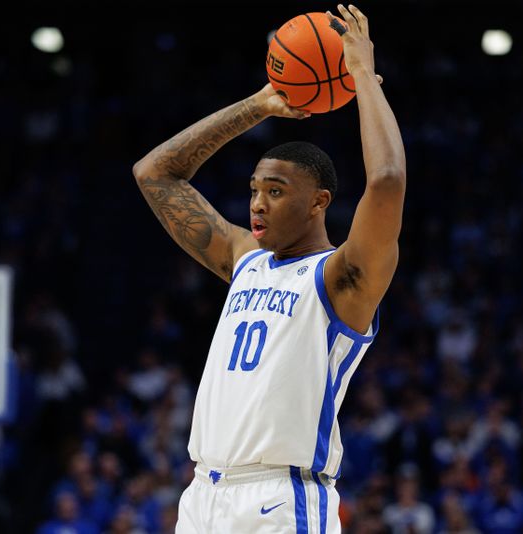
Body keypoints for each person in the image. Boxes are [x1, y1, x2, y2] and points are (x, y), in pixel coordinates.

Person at [134, 4, 405, 533]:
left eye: (276, 192)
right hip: (202, 496)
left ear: (318, 202)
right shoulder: (245, 261)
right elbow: (155, 175)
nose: (257, 204)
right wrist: (259, 105)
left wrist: (361, 78)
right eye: (255, 190)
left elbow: (388, 180)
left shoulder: (342, 278)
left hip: (281, 501)